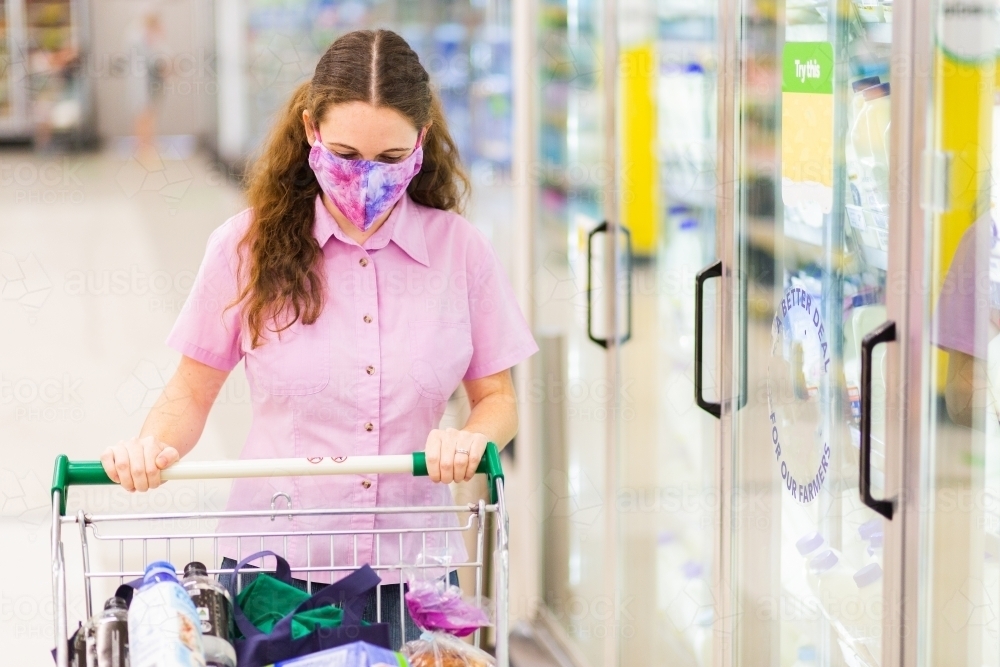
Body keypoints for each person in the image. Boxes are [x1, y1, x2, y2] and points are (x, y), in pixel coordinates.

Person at [99, 29, 537, 646]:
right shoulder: (244, 247)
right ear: (311, 130)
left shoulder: (460, 252)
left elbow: (499, 400)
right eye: (345, 152)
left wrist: (468, 441)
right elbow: (190, 393)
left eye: (389, 159)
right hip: (275, 581)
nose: (366, 177)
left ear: (420, 143)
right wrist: (149, 447)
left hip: (413, 581)